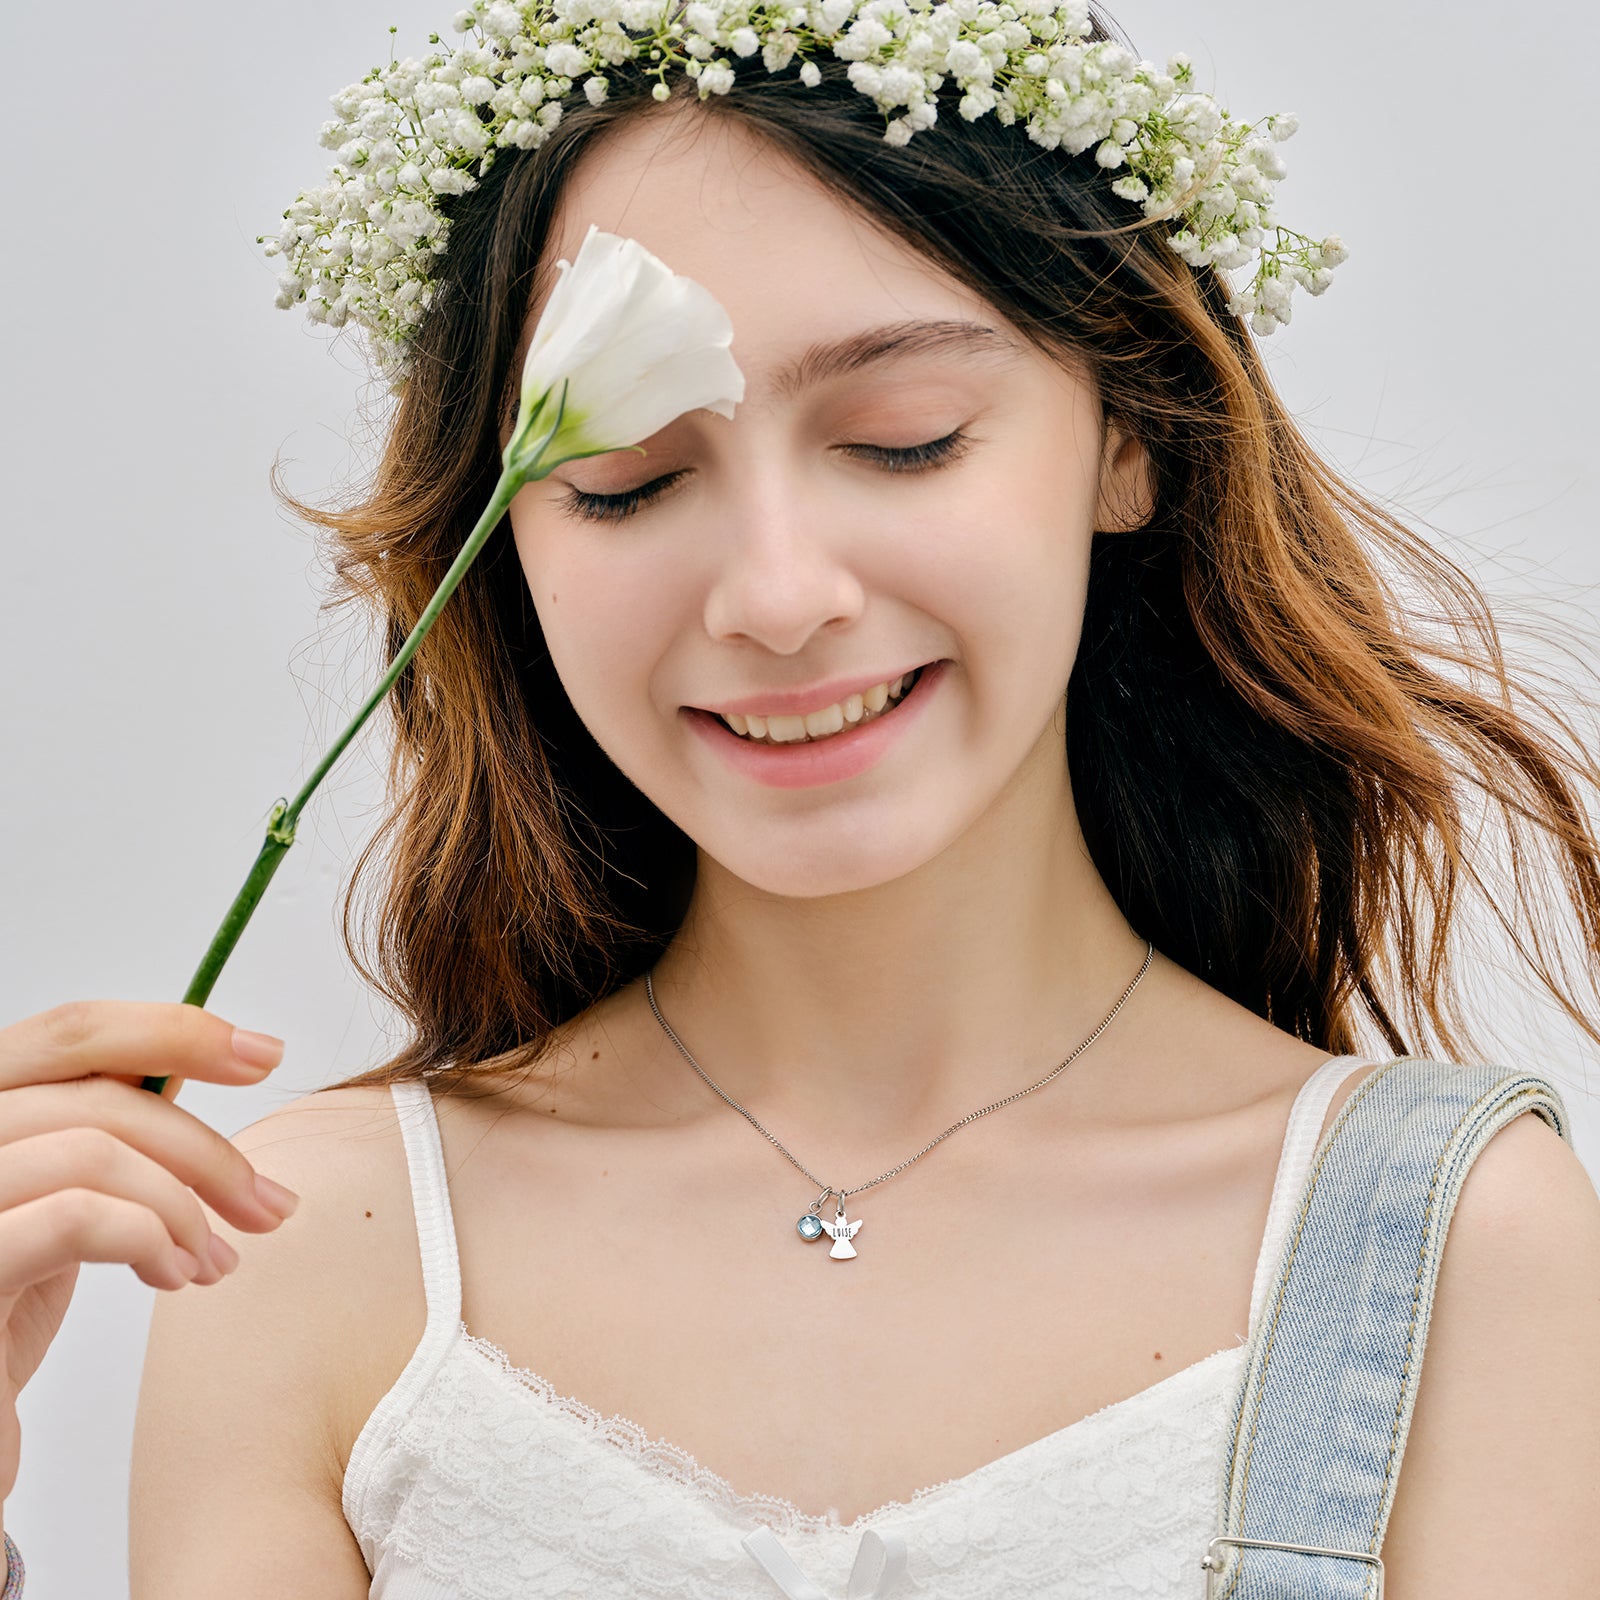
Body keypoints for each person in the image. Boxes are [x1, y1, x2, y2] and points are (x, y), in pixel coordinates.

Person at [3, 2, 1599, 1595]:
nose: (775, 594)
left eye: (904, 441)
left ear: (1129, 442)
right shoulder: (308, 1247)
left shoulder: (1449, 1249)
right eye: (627, 478)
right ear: (508, 536)